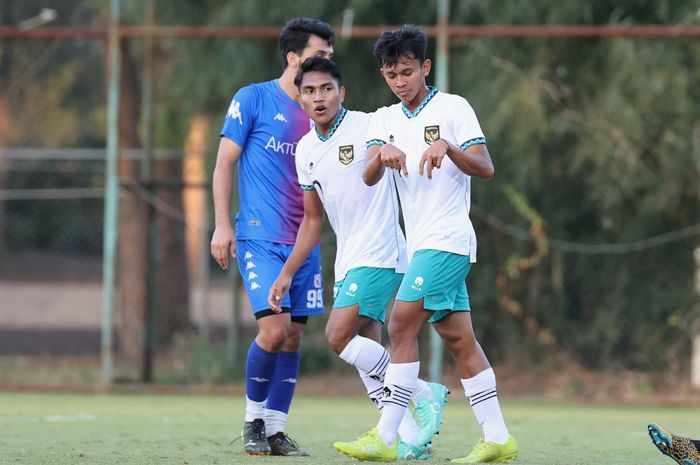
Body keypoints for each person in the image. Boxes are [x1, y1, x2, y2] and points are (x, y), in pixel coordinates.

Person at [332, 25, 518, 463]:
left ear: (425, 67)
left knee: (399, 325)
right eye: (392, 74)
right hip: (421, 246)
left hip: (448, 240)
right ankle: (497, 437)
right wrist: (382, 155)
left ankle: (388, 435)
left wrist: (449, 148)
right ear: (384, 75)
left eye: (408, 72)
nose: (400, 82)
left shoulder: (454, 108)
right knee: (460, 340)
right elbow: (369, 174)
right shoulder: (384, 119)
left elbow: (486, 167)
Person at [267, 56, 449, 461]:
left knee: (337, 336)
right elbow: (313, 220)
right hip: (348, 259)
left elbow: (396, 145)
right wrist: (286, 272)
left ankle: (422, 392)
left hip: (382, 252)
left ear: (341, 92)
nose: (319, 98)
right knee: (367, 356)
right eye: (310, 91)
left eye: (327, 89)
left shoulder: (369, 124)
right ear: (300, 98)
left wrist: (390, 149)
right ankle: (407, 439)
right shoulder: (305, 150)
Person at [210, 17, 334, 457]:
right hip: (260, 238)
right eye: (319, 55)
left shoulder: (321, 110)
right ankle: (252, 423)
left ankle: (277, 431)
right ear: (293, 58)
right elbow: (225, 163)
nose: (325, 65)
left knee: (295, 337)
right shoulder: (253, 99)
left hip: (304, 243)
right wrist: (223, 224)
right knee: (274, 330)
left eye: (330, 59)